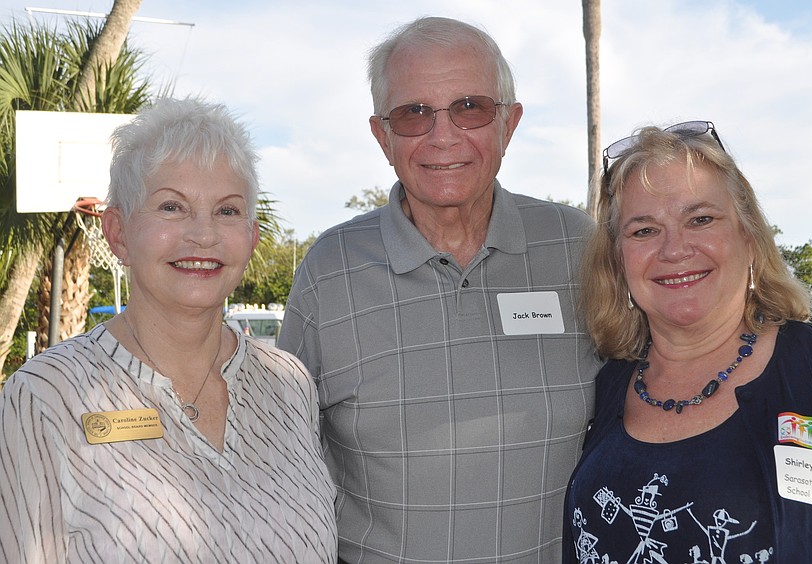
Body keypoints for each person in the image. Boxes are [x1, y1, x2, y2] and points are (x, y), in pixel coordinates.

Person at [279, 16, 601, 563]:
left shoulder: (579, 249)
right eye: (414, 113)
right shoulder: (328, 270)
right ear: (382, 136)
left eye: (470, 107)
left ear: (509, 123)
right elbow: (284, 460)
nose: (443, 135)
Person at [0, 98, 337, 562]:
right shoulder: (44, 397)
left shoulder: (288, 384)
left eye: (227, 211)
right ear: (117, 232)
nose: (203, 234)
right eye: (172, 206)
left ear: (252, 236)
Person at [563, 121, 812, 563]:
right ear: (618, 261)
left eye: (700, 219)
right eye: (644, 230)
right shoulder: (603, 387)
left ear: (750, 238)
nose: (674, 249)